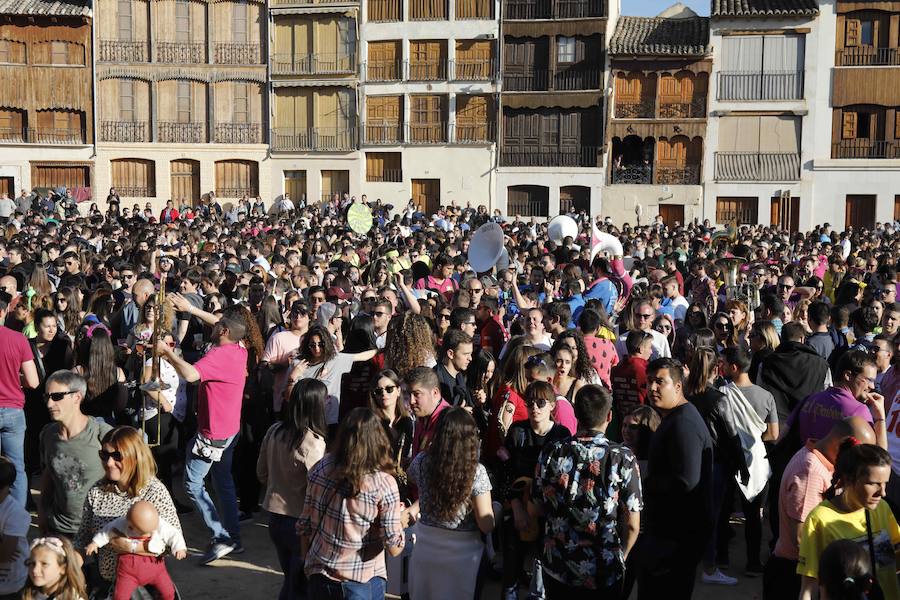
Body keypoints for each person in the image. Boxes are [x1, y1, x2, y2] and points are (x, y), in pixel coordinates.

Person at [531, 384, 641, 599]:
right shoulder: (623, 458)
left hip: (558, 565)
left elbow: (537, 506)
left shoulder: (551, 451)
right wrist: (622, 557)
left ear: (575, 413)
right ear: (609, 416)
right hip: (604, 567)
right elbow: (632, 524)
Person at [155, 309, 247, 563]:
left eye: (219, 325)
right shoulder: (239, 348)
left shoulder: (219, 354)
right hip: (229, 428)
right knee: (222, 481)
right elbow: (223, 323)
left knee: (192, 484)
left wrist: (167, 353)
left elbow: (191, 375)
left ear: (225, 331)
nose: (214, 326)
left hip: (213, 434)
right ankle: (234, 538)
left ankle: (222, 537)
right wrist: (191, 307)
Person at [764, 416, 876, 600]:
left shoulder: (822, 459)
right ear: (843, 444)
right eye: (859, 457)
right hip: (794, 576)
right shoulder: (810, 473)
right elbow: (801, 538)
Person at [298, 407, 405, 598]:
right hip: (361, 581)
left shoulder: (322, 466)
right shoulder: (383, 483)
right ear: (378, 439)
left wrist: (307, 560)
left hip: (320, 574)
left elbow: (304, 524)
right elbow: (394, 547)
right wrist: (402, 521)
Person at [639, 357, 714, 600]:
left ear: (679, 385)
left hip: (673, 540)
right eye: (649, 381)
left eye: (660, 382)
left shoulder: (684, 424)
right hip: (668, 537)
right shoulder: (675, 417)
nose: (652, 388)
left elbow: (686, 482)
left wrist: (643, 480)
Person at [74, 426, 181, 591]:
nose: (109, 463)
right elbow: (82, 539)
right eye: (104, 455)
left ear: (135, 457)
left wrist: (129, 547)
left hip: (144, 588)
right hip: (106, 585)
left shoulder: (154, 492)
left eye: (117, 456)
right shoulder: (97, 492)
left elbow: (173, 544)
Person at [406, 408, 494, 600]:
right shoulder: (476, 472)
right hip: (464, 556)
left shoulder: (422, 462)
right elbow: (486, 524)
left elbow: (410, 478)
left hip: (426, 550)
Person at [798, 442, 900, 600]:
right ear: (848, 479)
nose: (883, 492)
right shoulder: (820, 519)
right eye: (873, 484)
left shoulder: (882, 508)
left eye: (885, 483)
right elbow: (809, 586)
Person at [499, 381, 571, 599]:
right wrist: (518, 507)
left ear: (551, 406)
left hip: (548, 513)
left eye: (541, 402)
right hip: (518, 506)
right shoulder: (517, 431)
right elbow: (506, 475)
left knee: (542, 579)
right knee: (510, 572)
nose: (534, 408)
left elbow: (564, 481)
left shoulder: (562, 435)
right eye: (530, 403)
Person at [257, 378, 327, 600]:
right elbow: (318, 490)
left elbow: (261, 473)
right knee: (300, 586)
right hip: (301, 522)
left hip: (275, 517)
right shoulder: (313, 442)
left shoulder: (274, 431)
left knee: (290, 579)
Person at [38, 370, 112, 538]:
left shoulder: (102, 434)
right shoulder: (47, 434)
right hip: (59, 529)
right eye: (47, 397)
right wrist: (42, 512)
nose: (49, 404)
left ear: (77, 397)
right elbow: (48, 475)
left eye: (57, 396)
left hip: (98, 531)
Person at [85, 500, 186, 600]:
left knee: (168, 592)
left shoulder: (158, 523)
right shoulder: (123, 523)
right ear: (130, 526)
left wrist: (179, 547)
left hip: (155, 568)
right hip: (128, 572)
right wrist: (95, 543)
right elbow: (107, 531)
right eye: (144, 533)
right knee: (120, 596)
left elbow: (173, 534)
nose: (148, 534)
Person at [795, 350, 886, 448]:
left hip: (803, 459)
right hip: (834, 463)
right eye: (869, 380)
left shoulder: (809, 400)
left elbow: (782, 435)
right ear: (847, 375)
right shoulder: (859, 410)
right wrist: (880, 418)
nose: (872, 386)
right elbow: (878, 457)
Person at [0, 294, 39, 506]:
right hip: (13, 410)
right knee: (17, 466)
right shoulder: (18, 339)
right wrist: (14, 377)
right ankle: (18, 516)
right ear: (5, 311)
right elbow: (33, 381)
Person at [22, 537, 87, 600]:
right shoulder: (25, 595)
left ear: (63, 568)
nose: (35, 570)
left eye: (44, 564)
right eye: (32, 563)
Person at [405, 366, 451, 456]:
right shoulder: (422, 416)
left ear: (435, 393)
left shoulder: (449, 422)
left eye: (417, 394)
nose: (411, 401)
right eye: (408, 394)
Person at [0, 456, 28, 598]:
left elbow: (5, 554)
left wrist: (5, 549)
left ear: (7, 487)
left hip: (9, 583)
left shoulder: (16, 513)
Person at [434, 329, 474, 409]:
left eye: (470, 354)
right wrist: (458, 413)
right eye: (466, 354)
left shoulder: (460, 376)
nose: (470, 358)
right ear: (451, 354)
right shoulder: (436, 379)